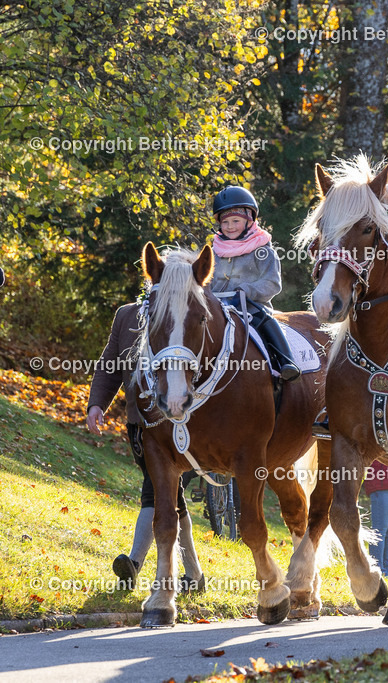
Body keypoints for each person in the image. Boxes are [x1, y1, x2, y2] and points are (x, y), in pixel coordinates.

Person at [87, 303, 204, 592]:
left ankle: (134, 563)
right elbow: (110, 364)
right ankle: (195, 575)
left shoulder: (183, 313)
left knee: (156, 491)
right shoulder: (126, 315)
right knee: (172, 497)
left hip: (177, 424)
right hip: (138, 425)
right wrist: (97, 404)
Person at [210, 186, 299, 381]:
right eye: (225, 222)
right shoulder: (214, 252)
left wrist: (247, 290)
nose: (230, 226)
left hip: (251, 307)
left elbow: (272, 283)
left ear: (249, 221)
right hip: (217, 307)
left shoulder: (263, 251)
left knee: (266, 320)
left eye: (236, 221)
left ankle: (286, 360)